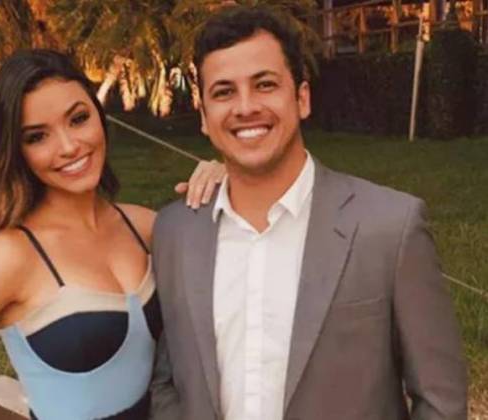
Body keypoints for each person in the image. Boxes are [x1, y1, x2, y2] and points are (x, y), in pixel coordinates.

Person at [0, 49, 224, 420]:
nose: (69, 146)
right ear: (15, 151)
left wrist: (229, 180)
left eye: (78, 119)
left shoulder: (144, 226)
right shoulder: (11, 257)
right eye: (37, 137)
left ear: (99, 116)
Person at [150, 6, 467, 420]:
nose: (245, 107)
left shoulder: (390, 228)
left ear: (301, 98)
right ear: (205, 117)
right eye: (224, 92)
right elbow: (170, 381)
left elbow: (441, 401)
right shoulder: (175, 232)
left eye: (265, 85)